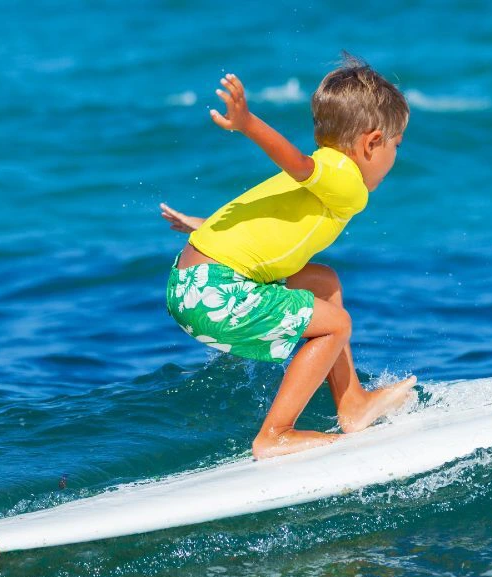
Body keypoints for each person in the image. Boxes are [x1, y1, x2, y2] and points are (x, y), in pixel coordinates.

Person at [162, 55, 417, 460]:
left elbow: (261, 217)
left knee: (323, 282)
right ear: (371, 142)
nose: (394, 157)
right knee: (336, 325)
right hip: (212, 292)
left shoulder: (323, 170)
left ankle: (352, 403)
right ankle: (275, 434)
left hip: (192, 282)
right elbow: (297, 163)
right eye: (395, 145)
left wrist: (201, 224)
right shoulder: (347, 182)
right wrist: (249, 125)